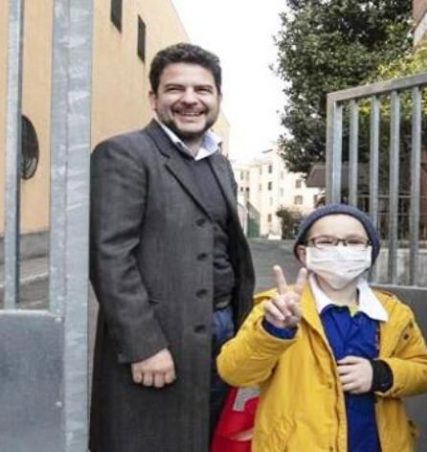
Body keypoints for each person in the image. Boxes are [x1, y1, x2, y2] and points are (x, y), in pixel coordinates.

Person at [89, 43, 255, 452]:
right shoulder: (125, 154)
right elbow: (110, 258)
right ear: (154, 98)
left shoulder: (220, 163)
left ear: (217, 98)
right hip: (160, 338)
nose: (190, 99)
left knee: (205, 436)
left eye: (203, 90)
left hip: (222, 331)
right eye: (175, 89)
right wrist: (145, 345)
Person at [216, 203, 427, 452]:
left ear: (369, 252)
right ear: (304, 253)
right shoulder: (276, 307)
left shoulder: (393, 312)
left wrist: (381, 374)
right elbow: (234, 371)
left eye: (354, 242)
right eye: (326, 242)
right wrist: (272, 331)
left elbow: (424, 372)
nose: (341, 250)